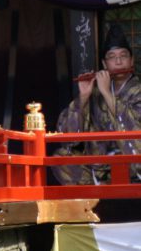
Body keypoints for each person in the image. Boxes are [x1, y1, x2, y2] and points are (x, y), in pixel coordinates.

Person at [53, 25, 141, 185]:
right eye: (112, 57)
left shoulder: (138, 91)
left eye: (123, 55)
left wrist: (107, 93)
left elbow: (133, 126)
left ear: (132, 60)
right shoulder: (94, 94)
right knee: (61, 158)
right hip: (100, 166)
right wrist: (84, 97)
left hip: (134, 163)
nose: (119, 61)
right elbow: (67, 136)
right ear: (104, 63)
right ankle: (96, 191)